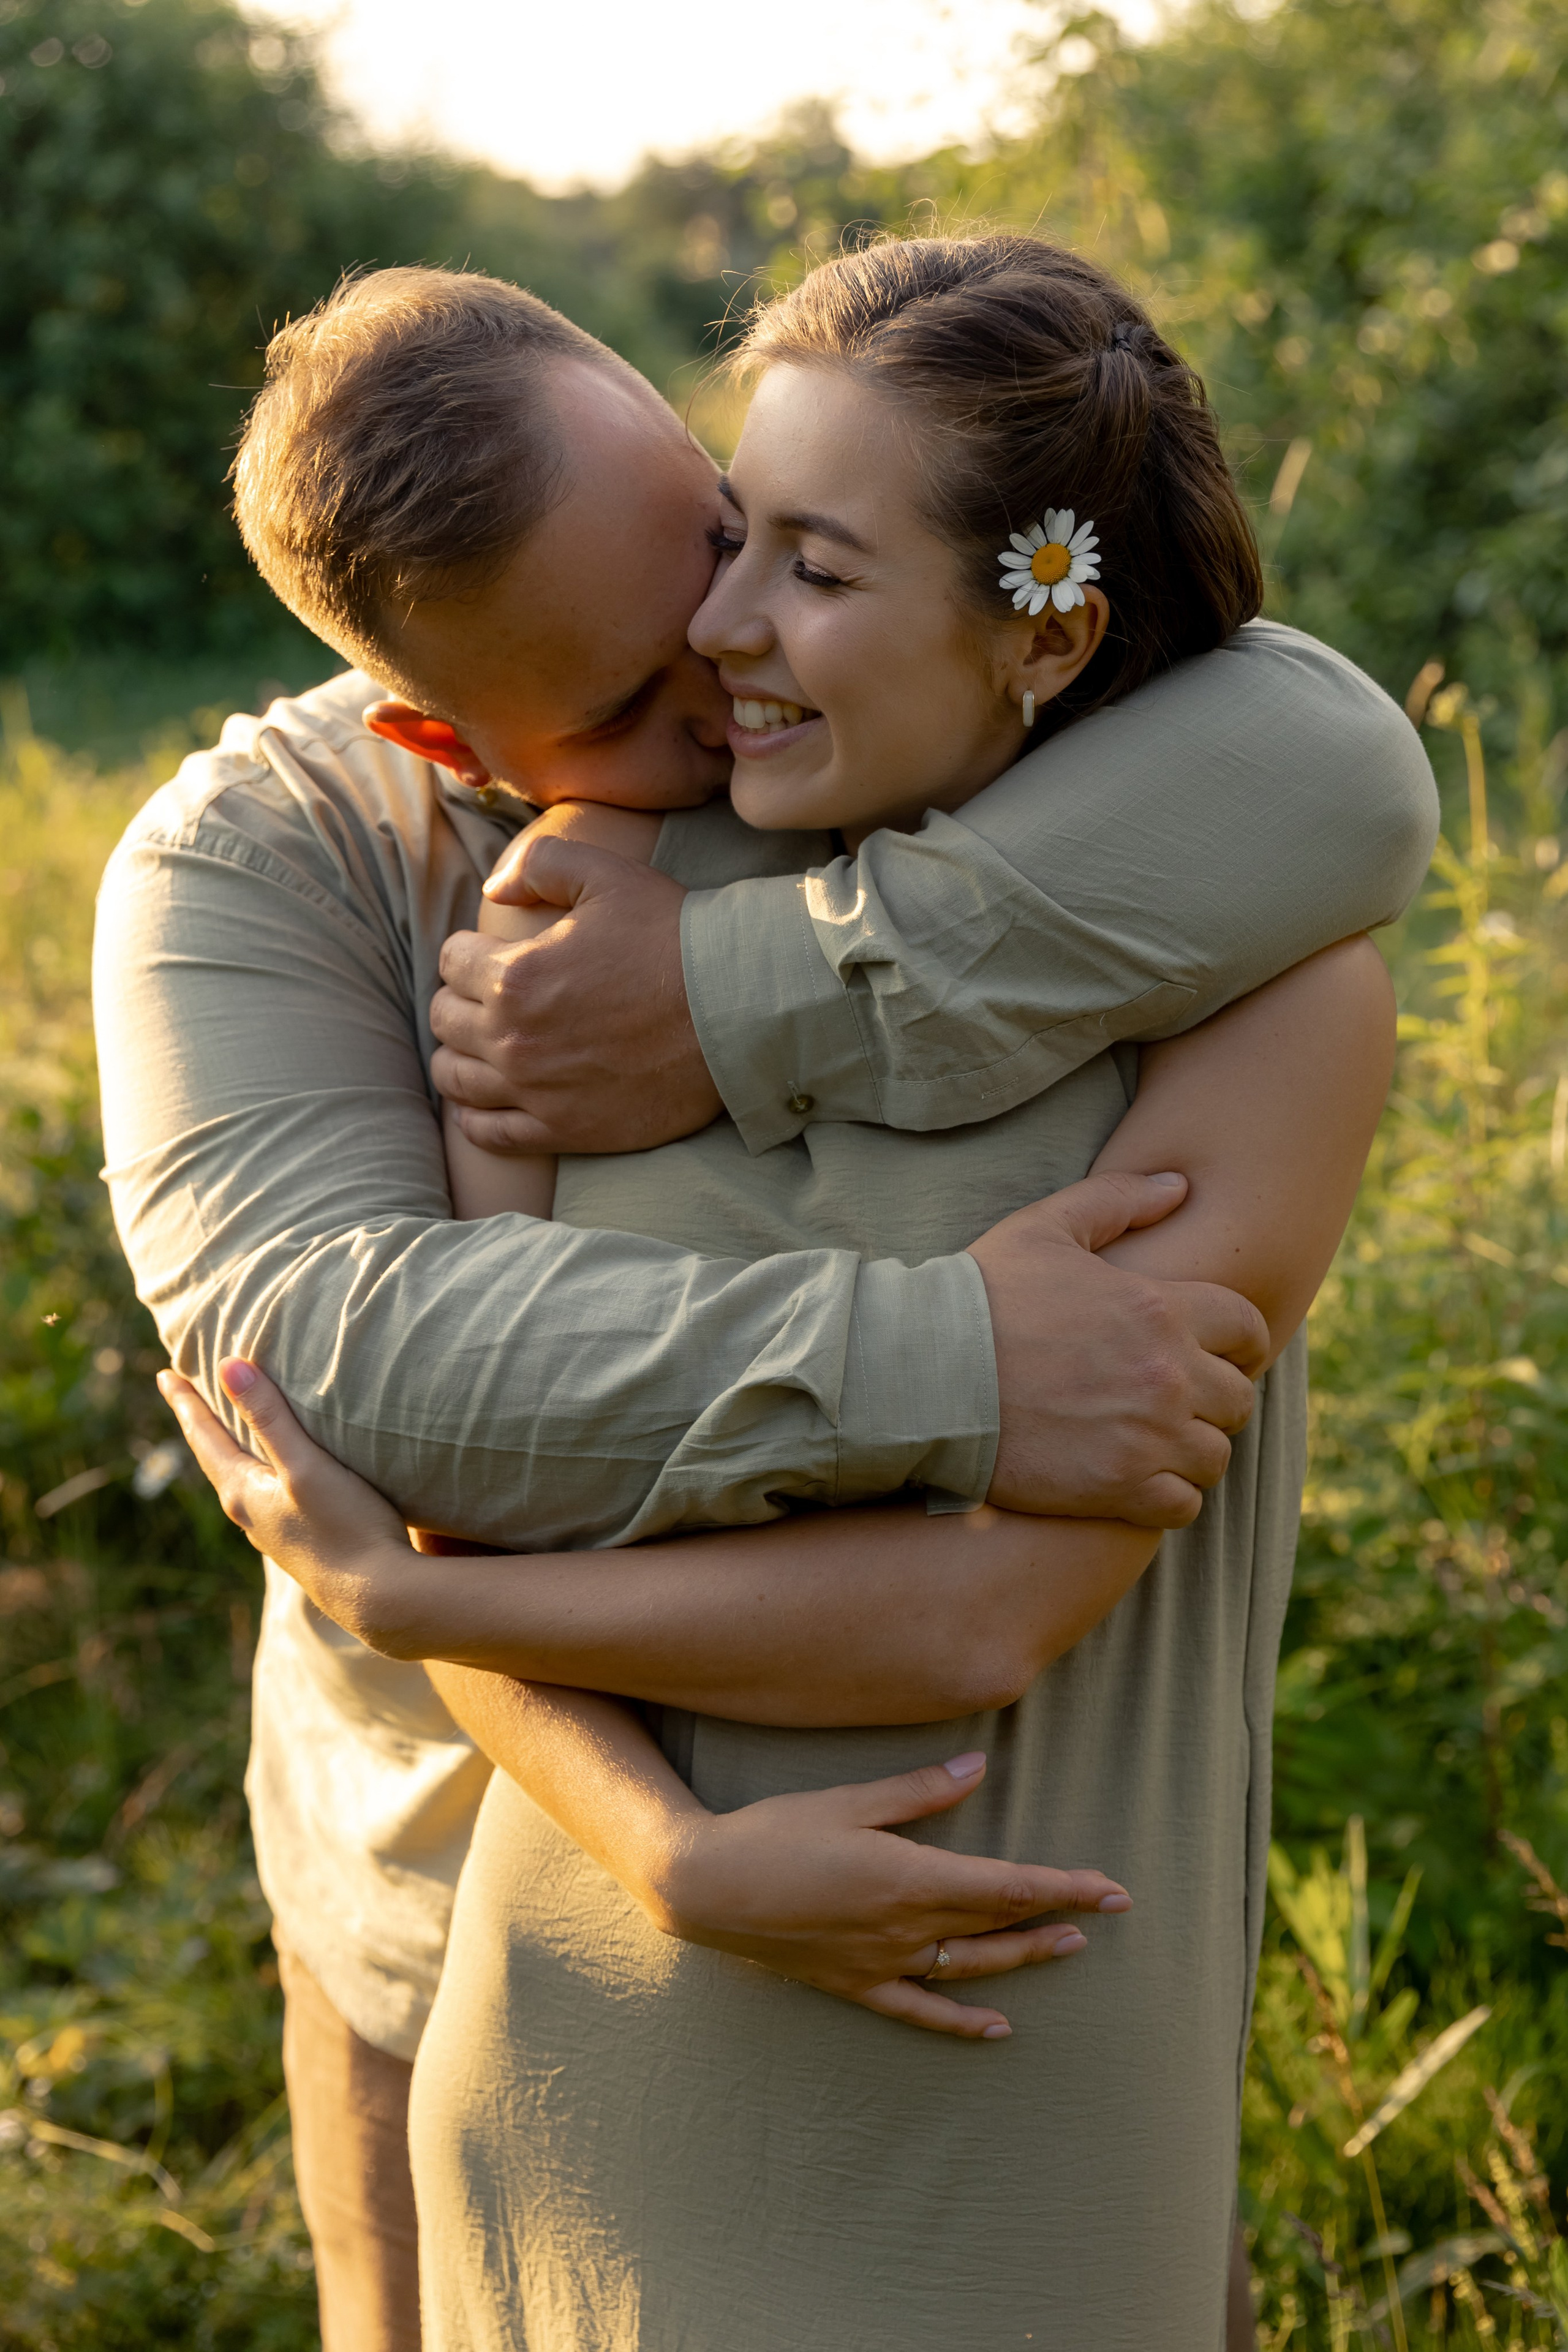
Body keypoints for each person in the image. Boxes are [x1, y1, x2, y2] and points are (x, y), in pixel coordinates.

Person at [153, 236, 1419, 2348]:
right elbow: (449, 1464)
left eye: (784, 555)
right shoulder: (568, 914)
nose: (726, 638)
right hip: (582, 2058)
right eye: (680, 631)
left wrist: (410, 1600)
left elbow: (981, 1614)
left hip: (1013, 2071)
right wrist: (643, 1829)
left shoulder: (1264, 973)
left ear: (1041, 628)